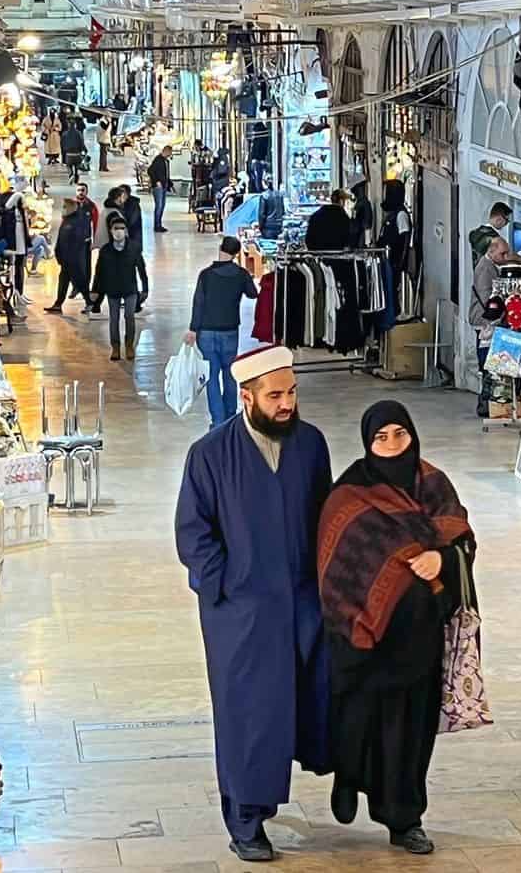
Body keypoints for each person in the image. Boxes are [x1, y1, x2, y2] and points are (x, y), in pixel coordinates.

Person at [175, 345, 331, 862]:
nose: (287, 403)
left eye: (292, 393)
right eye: (276, 395)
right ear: (247, 397)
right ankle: (245, 820)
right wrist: (224, 586)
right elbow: (193, 533)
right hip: (239, 612)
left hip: (303, 604)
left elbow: (325, 517)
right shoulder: (210, 455)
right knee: (247, 713)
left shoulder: (310, 445)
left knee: (300, 701)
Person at [317, 401, 475, 856]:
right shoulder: (350, 492)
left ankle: (406, 819)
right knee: (360, 720)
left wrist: (441, 558)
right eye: (380, 438)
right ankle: (349, 780)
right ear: (367, 443)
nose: (391, 446)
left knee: (411, 732)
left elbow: (462, 541)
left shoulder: (434, 484)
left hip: (421, 638)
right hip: (364, 639)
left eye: (399, 435)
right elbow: (335, 560)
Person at [185, 236, 258, 429]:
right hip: (230, 331)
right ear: (236, 253)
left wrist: (193, 328)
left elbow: (198, 303)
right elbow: (253, 293)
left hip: (207, 331)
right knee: (229, 374)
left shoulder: (206, 275)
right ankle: (231, 417)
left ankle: (217, 421)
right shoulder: (241, 274)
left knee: (212, 376)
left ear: (220, 248)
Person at [468, 236, 510, 416]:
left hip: (489, 321)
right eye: (503, 253)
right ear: (491, 251)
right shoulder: (485, 269)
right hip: (485, 322)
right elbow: (488, 299)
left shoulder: (491, 266)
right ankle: (485, 404)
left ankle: (490, 404)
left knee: (489, 364)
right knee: (487, 364)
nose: (506, 256)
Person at [90, 213, 140, 360]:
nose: (119, 231)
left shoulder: (133, 248)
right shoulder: (105, 250)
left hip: (130, 288)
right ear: (111, 230)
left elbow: (141, 268)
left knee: (130, 316)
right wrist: (95, 290)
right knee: (114, 318)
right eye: (115, 228)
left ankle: (129, 345)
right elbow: (99, 271)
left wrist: (145, 288)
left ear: (125, 230)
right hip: (112, 289)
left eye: (122, 228)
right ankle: (116, 347)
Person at [45, 199, 91, 313]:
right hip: (66, 259)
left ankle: (89, 302)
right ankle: (58, 304)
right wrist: (58, 253)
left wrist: (72, 257)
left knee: (79, 281)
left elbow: (80, 240)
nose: (63, 208)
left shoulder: (79, 221)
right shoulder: (67, 220)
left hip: (73, 259)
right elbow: (61, 238)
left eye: (65, 206)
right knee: (64, 280)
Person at [117, 183, 149, 309]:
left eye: (122, 193)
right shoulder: (121, 205)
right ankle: (133, 296)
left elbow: (131, 223)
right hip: (126, 244)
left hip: (133, 244)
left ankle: (141, 294)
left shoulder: (133, 206)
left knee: (138, 268)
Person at [0, 176, 31, 295]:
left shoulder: (20, 205)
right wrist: (17, 195)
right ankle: (16, 292)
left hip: (21, 238)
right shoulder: (10, 199)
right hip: (12, 239)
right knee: (14, 266)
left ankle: (19, 292)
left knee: (19, 265)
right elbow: (6, 207)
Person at [378, 179, 412, 277]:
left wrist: (400, 264)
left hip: (394, 264)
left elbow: (405, 239)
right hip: (387, 262)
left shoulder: (401, 214)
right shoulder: (392, 214)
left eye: (387, 194)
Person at [468, 202, 512, 267]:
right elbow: (503, 261)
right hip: (489, 273)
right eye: (507, 221)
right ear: (499, 219)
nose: (506, 224)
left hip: (478, 273)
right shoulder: (494, 237)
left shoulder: (475, 232)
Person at [149, 144, 174, 233]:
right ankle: (157, 225)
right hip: (158, 187)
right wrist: (156, 181)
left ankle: (159, 224)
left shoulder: (166, 161)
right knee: (158, 206)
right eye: (170, 152)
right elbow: (150, 171)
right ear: (166, 151)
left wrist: (170, 183)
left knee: (162, 205)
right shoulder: (158, 160)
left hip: (164, 185)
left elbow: (166, 174)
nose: (170, 154)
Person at [349, 180, 373, 249]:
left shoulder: (364, 203)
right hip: (357, 239)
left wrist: (366, 242)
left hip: (360, 241)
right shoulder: (359, 203)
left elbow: (367, 225)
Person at [62, 117, 86, 184]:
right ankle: (76, 176)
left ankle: (70, 174)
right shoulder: (78, 133)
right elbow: (82, 143)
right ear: (75, 125)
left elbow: (62, 144)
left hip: (68, 154)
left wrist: (64, 152)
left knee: (69, 166)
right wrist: (84, 150)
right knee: (77, 166)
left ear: (68, 125)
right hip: (77, 154)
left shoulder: (65, 134)